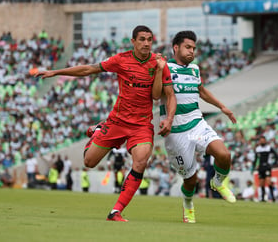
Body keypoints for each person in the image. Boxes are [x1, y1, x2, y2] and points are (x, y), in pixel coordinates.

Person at [34, 25, 177, 222]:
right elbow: (89, 69)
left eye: (149, 39)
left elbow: (157, 96)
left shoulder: (158, 63)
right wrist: (56, 72)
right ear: (133, 41)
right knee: (89, 162)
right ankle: (98, 131)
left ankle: (116, 211)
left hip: (141, 125)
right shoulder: (121, 60)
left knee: (142, 160)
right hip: (117, 121)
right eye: (142, 39)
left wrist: (161, 75)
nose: (146, 43)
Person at [158, 30, 237, 223]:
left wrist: (222, 106)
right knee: (190, 180)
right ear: (176, 47)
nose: (192, 51)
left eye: (194, 48)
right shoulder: (163, 68)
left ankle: (217, 182)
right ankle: (188, 204)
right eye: (188, 47)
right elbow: (156, 94)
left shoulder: (194, 69)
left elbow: (201, 91)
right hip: (176, 133)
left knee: (224, 155)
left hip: (197, 123)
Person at [252, 136, 278, 202]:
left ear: (265, 141)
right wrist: (254, 166)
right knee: (261, 183)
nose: (262, 142)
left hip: (267, 167)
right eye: (261, 141)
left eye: (263, 140)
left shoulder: (269, 148)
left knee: (268, 181)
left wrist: (273, 163)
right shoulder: (258, 149)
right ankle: (263, 198)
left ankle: (273, 198)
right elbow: (255, 159)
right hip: (261, 167)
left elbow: (276, 155)